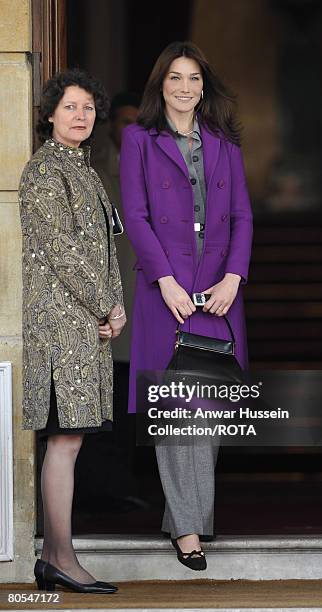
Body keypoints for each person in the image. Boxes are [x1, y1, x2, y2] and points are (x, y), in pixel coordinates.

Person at [120, 41, 253, 570]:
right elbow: (136, 214)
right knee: (178, 417)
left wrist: (234, 278)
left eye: (193, 78)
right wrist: (166, 281)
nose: (184, 87)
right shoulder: (139, 140)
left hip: (218, 295)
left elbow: (242, 215)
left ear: (204, 87)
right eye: (174, 77)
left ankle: (191, 519)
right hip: (167, 294)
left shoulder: (225, 144)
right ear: (161, 85)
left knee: (208, 419)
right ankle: (190, 531)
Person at [19, 68, 126, 593]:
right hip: (59, 328)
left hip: (83, 325)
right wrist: (107, 303)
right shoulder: (45, 171)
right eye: (70, 108)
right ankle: (59, 556)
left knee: (72, 439)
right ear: (50, 114)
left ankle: (57, 557)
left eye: (87, 108)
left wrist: (114, 308)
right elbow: (62, 251)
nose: (81, 116)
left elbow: (103, 249)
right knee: (63, 439)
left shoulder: (82, 168)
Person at [92, 92, 141, 361]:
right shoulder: (95, 169)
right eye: (125, 122)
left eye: (138, 123)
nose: (132, 130)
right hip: (113, 275)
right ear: (111, 126)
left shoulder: (158, 167)